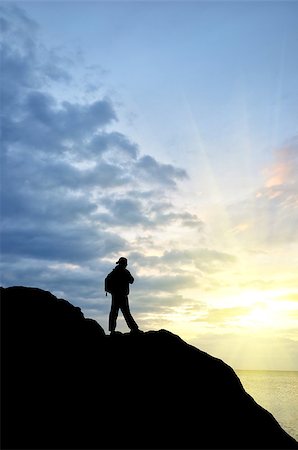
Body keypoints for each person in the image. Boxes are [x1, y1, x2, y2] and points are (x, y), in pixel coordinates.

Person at [106, 257, 140, 335]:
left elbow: (107, 280)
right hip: (122, 296)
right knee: (126, 312)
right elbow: (132, 280)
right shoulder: (125, 272)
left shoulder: (114, 272)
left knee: (114, 313)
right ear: (125, 264)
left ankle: (112, 330)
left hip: (115, 295)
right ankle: (134, 328)